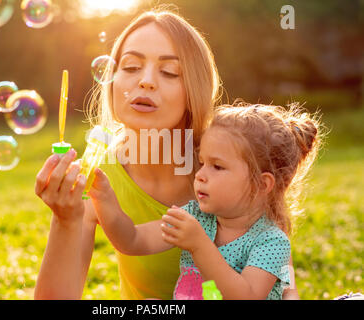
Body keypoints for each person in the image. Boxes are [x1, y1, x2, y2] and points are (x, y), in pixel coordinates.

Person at [34, 8, 300, 300]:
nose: (146, 81)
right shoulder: (98, 174)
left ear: (194, 90)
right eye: (131, 67)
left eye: (170, 72)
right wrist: (65, 220)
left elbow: (286, 290)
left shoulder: (231, 165)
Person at [89, 102, 322, 299]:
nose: (200, 174)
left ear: (262, 184)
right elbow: (132, 240)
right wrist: (105, 201)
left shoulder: (271, 241)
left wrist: (200, 245)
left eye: (217, 166)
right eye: (202, 163)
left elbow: (246, 295)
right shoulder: (195, 216)